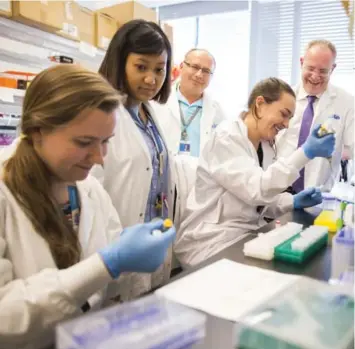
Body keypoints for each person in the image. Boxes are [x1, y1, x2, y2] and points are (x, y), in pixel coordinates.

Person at [0, 64, 176, 349]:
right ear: (37, 131)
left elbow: (107, 289)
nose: (99, 158)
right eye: (84, 142)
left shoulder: (89, 191)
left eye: (106, 142)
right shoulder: (5, 194)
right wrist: (107, 264)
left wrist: (135, 257)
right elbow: (5, 319)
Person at [174, 77, 335, 267]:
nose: (286, 124)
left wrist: (292, 201)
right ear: (260, 104)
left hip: (241, 234)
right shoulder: (227, 138)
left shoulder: (265, 145)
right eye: (284, 114)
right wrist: (305, 152)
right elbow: (256, 189)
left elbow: (258, 198)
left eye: (290, 118)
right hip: (209, 240)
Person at [92, 19, 175, 299]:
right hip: (119, 245)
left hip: (152, 243)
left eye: (159, 69)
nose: (151, 79)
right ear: (120, 61)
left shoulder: (147, 113)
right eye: (141, 67)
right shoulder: (103, 112)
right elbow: (91, 191)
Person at [276, 39, 354, 192]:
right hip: (277, 190)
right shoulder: (284, 98)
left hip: (317, 196)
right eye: (310, 68)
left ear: (333, 68)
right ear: (301, 62)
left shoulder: (347, 103)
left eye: (323, 71)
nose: (315, 76)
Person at [153, 48, 226, 157]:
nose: (199, 75)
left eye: (206, 71)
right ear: (182, 67)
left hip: (199, 173)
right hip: (166, 171)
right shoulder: (157, 102)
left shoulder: (217, 111)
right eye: (195, 67)